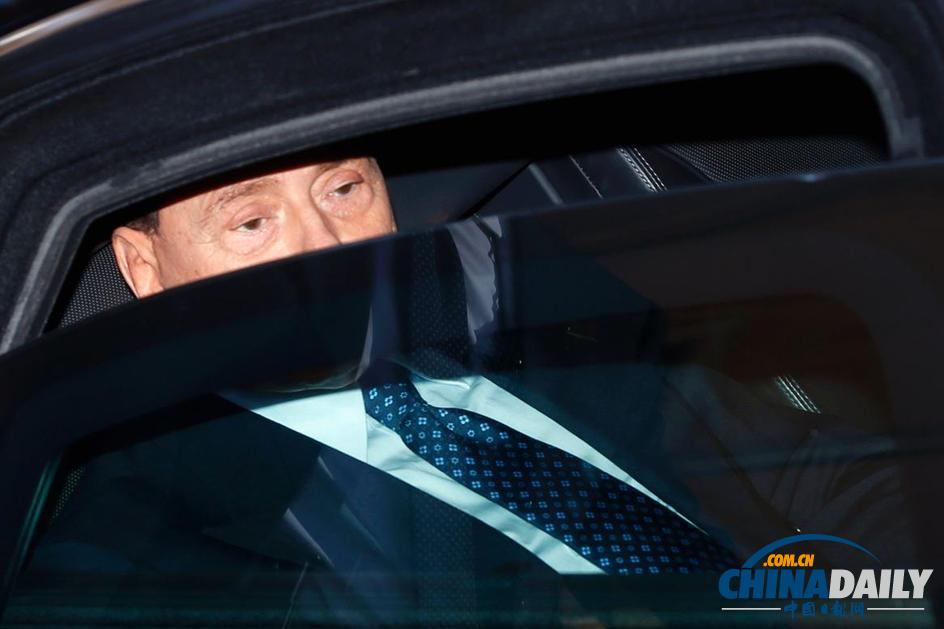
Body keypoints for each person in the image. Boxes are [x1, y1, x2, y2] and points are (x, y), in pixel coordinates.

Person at [33, 156, 912, 623]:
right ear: (145, 269)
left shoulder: (532, 313)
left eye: (345, 188)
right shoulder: (131, 551)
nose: (328, 249)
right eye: (253, 222)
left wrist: (882, 595)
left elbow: (817, 470)